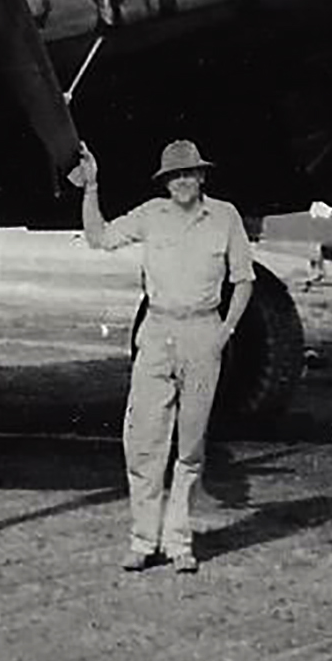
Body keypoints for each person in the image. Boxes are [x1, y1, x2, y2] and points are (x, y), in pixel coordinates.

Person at [71, 137, 255, 574]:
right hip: (156, 333)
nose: (182, 182)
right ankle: (142, 539)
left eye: (189, 173)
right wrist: (91, 187)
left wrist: (224, 333)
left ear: (202, 176)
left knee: (189, 446)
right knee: (143, 443)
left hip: (203, 333)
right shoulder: (150, 216)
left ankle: (179, 542)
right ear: (165, 182)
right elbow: (98, 237)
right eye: (174, 176)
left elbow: (243, 280)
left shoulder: (225, 217)